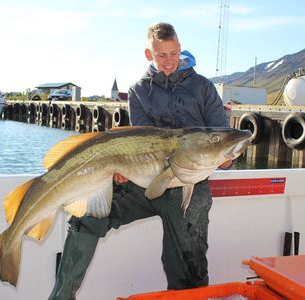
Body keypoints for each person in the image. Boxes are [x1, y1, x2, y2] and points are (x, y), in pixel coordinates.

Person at [48, 22, 230, 300]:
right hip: (144, 182)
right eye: (161, 55)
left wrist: (226, 157)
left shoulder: (203, 88)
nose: (168, 61)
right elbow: (139, 139)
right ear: (149, 55)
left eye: (172, 54)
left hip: (189, 186)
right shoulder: (138, 91)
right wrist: (123, 169)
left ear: (180, 49)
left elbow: (221, 133)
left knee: (188, 264)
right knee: (86, 216)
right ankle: (61, 296)